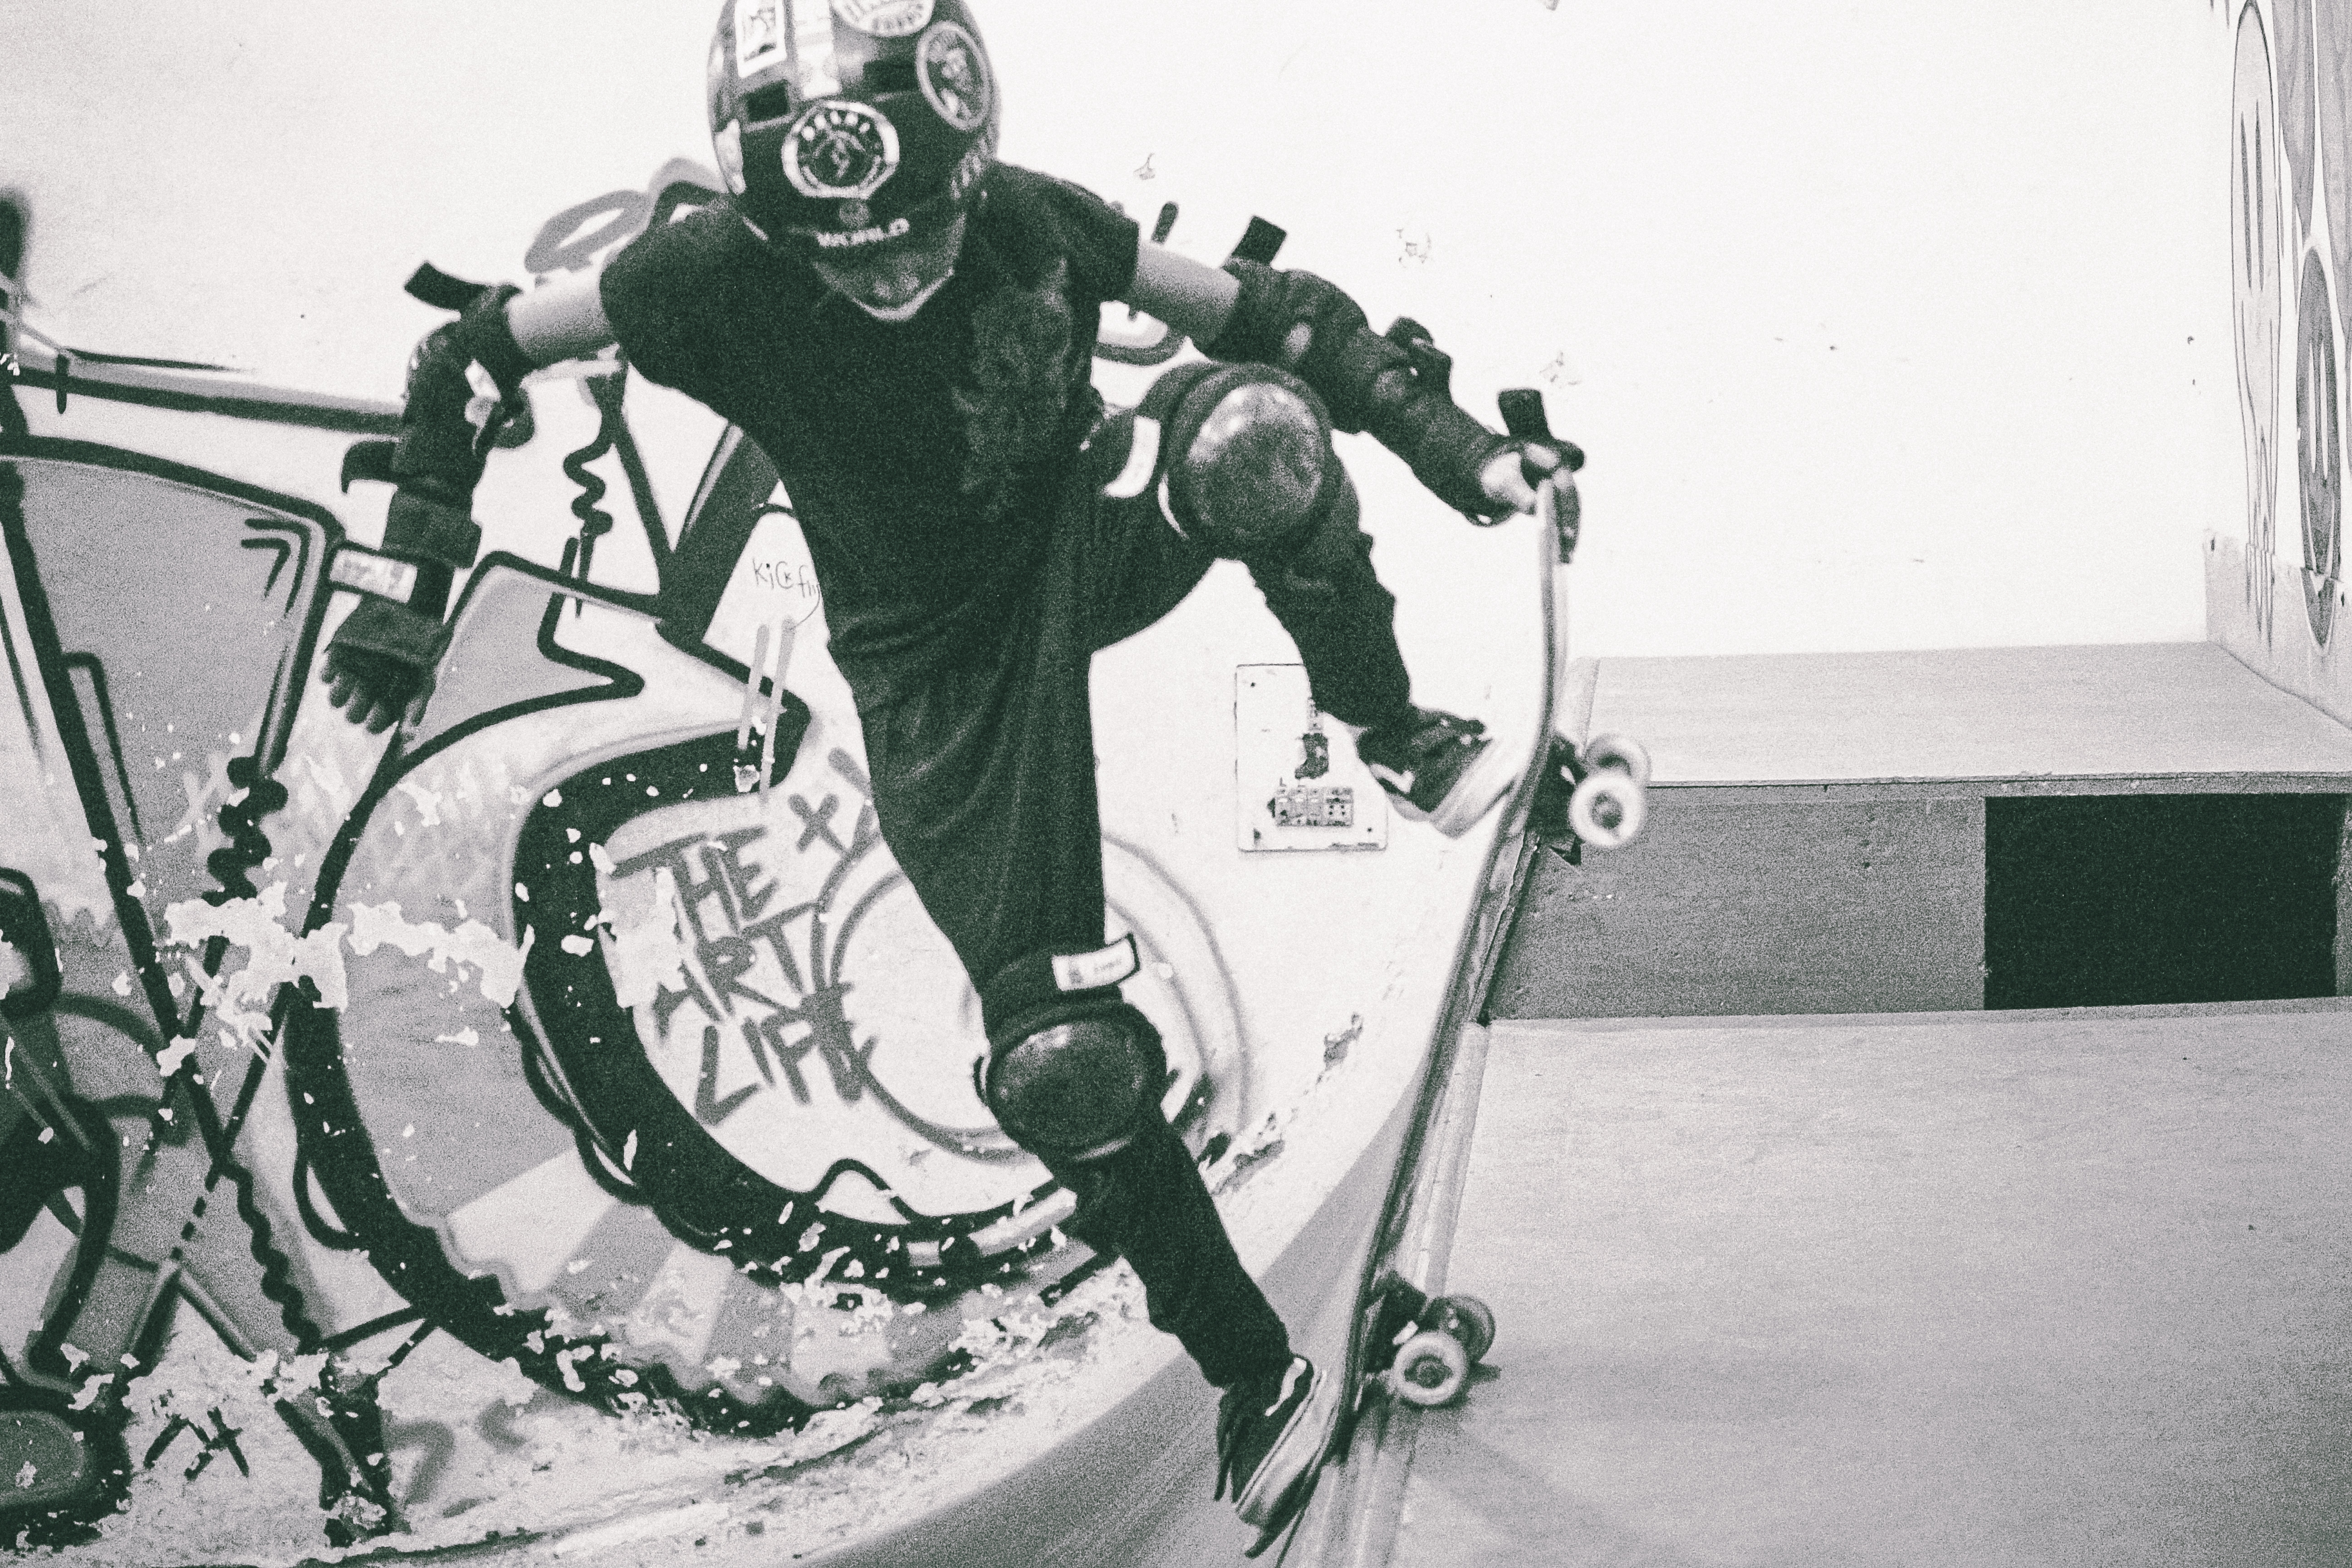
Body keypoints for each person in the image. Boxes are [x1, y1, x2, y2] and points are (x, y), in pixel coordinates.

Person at [319, 0, 1575, 1532]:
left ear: (969, 171)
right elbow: (463, 358)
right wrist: (407, 591)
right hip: (936, 678)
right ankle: (1254, 1377)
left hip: (1088, 535)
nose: (897, 274)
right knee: (1066, 1066)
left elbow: (1276, 312)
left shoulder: (1033, 214)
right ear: (774, 228)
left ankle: (1389, 730)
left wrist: (1462, 453)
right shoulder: (699, 276)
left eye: (921, 235)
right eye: (847, 259)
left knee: (1254, 431)